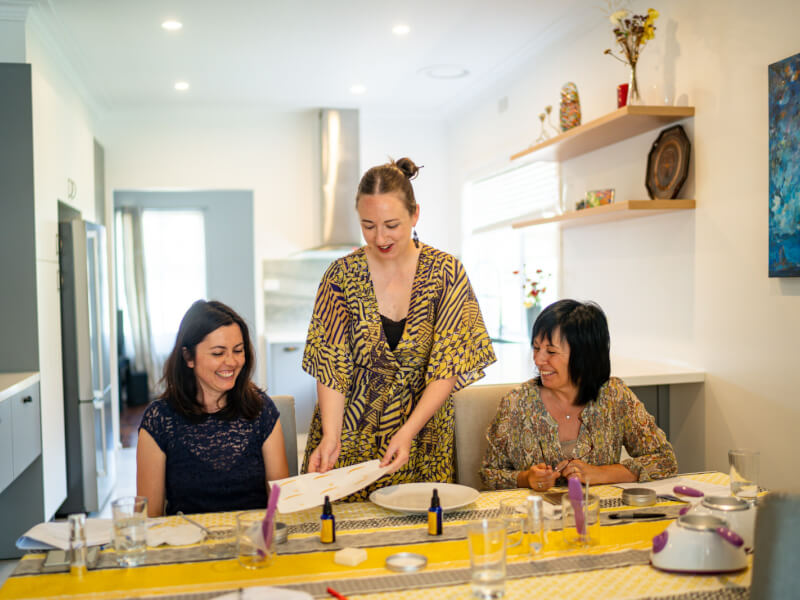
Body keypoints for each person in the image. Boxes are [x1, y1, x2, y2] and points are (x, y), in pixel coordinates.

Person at [302, 157, 496, 500]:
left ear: (415, 214)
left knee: (421, 529)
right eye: (368, 225)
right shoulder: (341, 276)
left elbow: (446, 368)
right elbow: (331, 366)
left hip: (423, 433)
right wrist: (331, 435)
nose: (380, 237)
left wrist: (407, 432)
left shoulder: (446, 274)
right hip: (349, 431)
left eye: (391, 224)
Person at [480, 299, 677, 490]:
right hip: (538, 519)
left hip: (599, 516)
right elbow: (489, 475)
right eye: (536, 347)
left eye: (551, 351)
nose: (538, 360)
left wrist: (603, 474)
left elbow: (664, 460)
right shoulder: (516, 403)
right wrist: (526, 478)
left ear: (584, 356)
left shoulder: (615, 396)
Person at [137, 300, 289, 516]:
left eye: (238, 350)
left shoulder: (261, 410)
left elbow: (280, 506)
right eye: (218, 353)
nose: (232, 362)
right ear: (189, 357)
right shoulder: (159, 420)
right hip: (187, 546)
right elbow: (148, 520)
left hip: (254, 544)